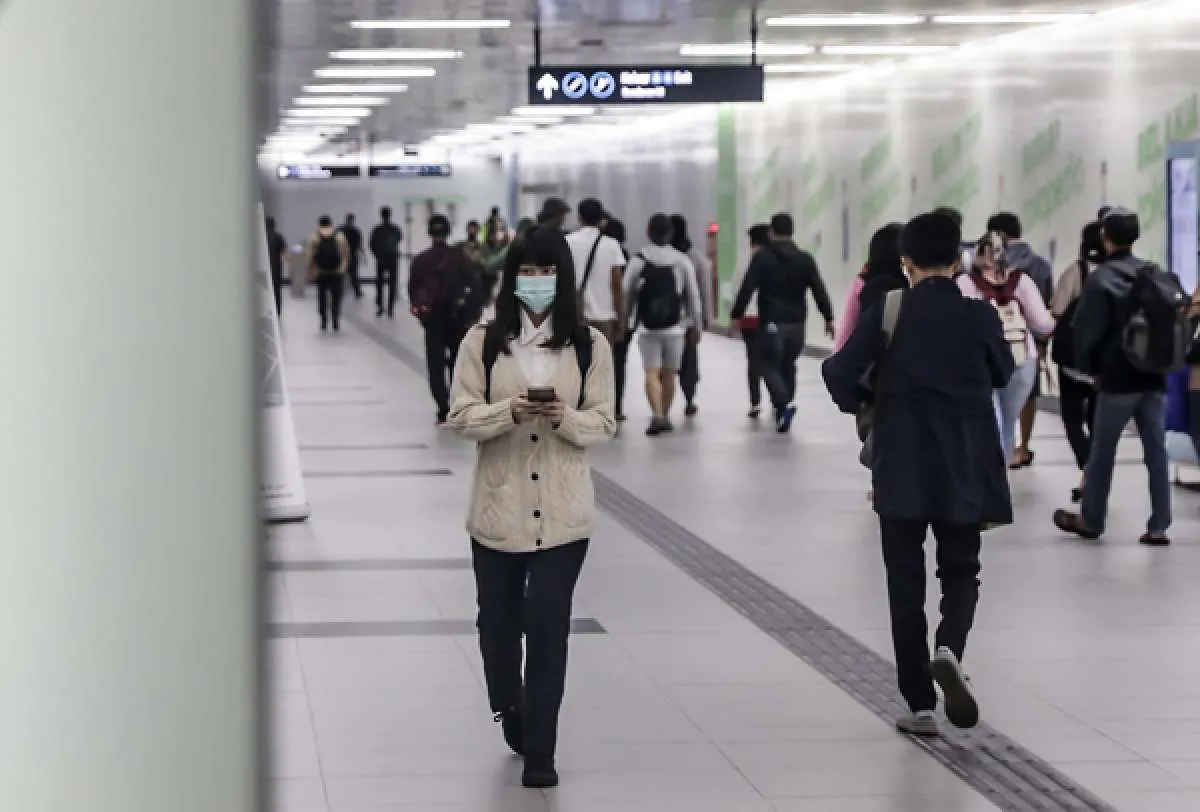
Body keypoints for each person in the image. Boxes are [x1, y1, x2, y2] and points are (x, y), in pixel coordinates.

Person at [821, 211, 1014, 738]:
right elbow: (1003, 373)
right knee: (961, 568)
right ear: (958, 262)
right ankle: (949, 647)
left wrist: (870, 399)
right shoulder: (980, 316)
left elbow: (838, 374)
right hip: (964, 464)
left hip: (902, 463)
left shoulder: (889, 310)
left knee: (903, 581)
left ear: (906, 263)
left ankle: (920, 704)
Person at [446, 225, 616, 790]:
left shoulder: (590, 344)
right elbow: (460, 416)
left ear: (563, 277)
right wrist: (507, 414)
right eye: (529, 270)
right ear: (512, 275)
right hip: (497, 512)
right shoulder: (483, 341)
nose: (538, 282)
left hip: (564, 516)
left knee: (547, 625)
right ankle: (508, 712)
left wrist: (564, 416)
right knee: (497, 631)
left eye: (549, 271)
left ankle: (542, 751)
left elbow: (605, 423)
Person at [1054, 207, 1176, 546]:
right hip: (1154, 378)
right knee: (1156, 451)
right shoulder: (1154, 273)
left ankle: (1092, 520)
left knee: (1102, 452)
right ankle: (1159, 525)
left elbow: (1087, 332)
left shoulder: (1102, 278)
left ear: (1105, 238)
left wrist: (1089, 370)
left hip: (1117, 380)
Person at [730, 212, 836, 433]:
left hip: (772, 322)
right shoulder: (805, 259)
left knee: (768, 365)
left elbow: (748, 287)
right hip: (798, 323)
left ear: (771, 232)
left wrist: (736, 314)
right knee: (788, 364)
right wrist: (828, 317)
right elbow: (818, 289)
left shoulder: (762, 258)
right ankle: (784, 408)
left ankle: (784, 404)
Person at [958, 234, 1055, 465]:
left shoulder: (965, 283)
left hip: (980, 361)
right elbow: (1043, 324)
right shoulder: (1021, 281)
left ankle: (986, 473)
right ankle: (1000, 474)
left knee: (989, 419)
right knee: (1009, 419)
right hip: (1021, 358)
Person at [624, 213, 704, 436]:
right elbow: (693, 295)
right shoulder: (681, 260)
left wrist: (627, 320)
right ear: (670, 234)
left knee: (651, 372)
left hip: (647, 328)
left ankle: (657, 414)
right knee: (670, 374)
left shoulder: (639, 260)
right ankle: (665, 416)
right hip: (675, 327)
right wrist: (696, 324)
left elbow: (626, 291)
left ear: (648, 232)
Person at [987, 212, 1053, 468]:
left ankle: (1000, 454)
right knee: (1027, 397)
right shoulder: (1040, 265)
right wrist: (1041, 344)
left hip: (994, 344)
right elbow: (1045, 310)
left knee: (996, 406)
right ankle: (1022, 445)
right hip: (1027, 345)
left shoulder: (988, 264)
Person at [409, 214, 483, 424]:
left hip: (433, 320)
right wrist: (472, 314)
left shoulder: (420, 260)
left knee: (435, 363)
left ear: (430, 233)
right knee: (458, 363)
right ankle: (458, 405)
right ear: (449, 231)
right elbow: (475, 288)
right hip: (458, 319)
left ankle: (442, 408)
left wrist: (423, 318)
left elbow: (413, 291)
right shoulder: (460, 258)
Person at [1050, 221, 1105, 501]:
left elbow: (1058, 309)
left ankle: (1088, 470)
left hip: (1073, 363)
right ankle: (1093, 476)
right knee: (1099, 423)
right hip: (1105, 364)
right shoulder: (1120, 274)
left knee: (1072, 419)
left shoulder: (1077, 271)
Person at [566, 198, 626, 347]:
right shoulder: (612, 245)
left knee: (576, 363)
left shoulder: (567, 242)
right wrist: (620, 316)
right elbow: (617, 283)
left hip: (575, 315)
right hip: (605, 317)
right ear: (601, 219)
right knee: (602, 364)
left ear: (579, 218)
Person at [670, 214, 711, 418]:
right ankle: (689, 399)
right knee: (689, 364)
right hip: (687, 322)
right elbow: (702, 291)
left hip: (662, 322)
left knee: (662, 365)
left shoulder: (655, 256)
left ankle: (662, 403)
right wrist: (703, 321)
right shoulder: (695, 258)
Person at [733, 224, 770, 418]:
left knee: (753, 360)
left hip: (749, 320)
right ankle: (777, 398)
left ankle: (755, 402)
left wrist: (736, 315)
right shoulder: (772, 260)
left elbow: (737, 289)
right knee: (773, 359)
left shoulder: (744, 261)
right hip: (770, 317)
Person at [603, 216, 633, 421]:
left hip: (599, 315)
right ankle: (617, 406)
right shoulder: (625, 255)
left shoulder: (604, 252)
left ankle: (599, 405)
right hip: (619, 317)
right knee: (619, 364)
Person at [305, 215, 349, 332]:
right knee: (336, 297)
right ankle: (335, 319)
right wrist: (342, 269)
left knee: (322, 297)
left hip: (321, 271)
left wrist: (310, 271)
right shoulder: (339, 235)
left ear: (319, 224)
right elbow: (345, 254)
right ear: (331, 224)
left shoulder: (314, 236)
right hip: (336, 272)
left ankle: (323, 320)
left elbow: (310, 256)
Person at [369, 206, 404, 319]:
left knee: (379, 283)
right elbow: (399, 239)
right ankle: (390, 308)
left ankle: (380, 307)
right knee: (392, 283)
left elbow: (372, 244)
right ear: (390, 215)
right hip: (393, 257)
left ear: (381, 215)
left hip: (381, 258)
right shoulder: (395, 229)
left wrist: (377, 254)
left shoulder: (377, 229)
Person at [265, 216, 287, 318]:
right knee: (277, 290)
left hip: (264, 268)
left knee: (264, 290)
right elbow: (284, 252)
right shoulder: (278, 236)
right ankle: (277, 310)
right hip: (276, 267)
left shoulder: (261, 237)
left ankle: (266, 309)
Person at [338, 213, 364, 300]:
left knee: (341, 275)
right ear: (353, 220)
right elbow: (359, 244)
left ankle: (339, 292)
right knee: (354, 275)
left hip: (341, 255)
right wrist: (363, 255)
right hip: (352, 255)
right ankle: (357, 292)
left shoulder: (340, 230)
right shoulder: (355, 230)